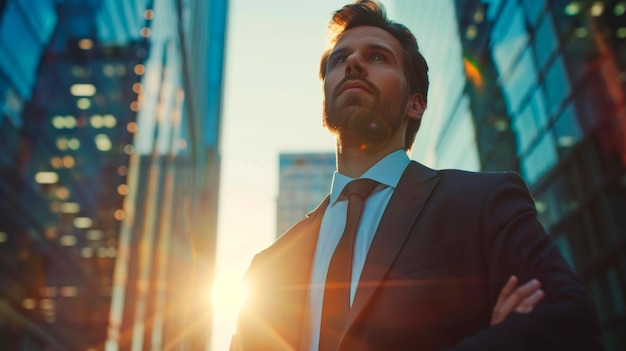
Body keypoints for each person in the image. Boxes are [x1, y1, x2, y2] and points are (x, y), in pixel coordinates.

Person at [230, 1, 604, 350]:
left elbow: (571, 320)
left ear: (416, 103)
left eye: (377, 57)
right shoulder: (268, 267)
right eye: (339, 59)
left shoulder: (482, 202)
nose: (353, 63)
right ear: (325, 99)